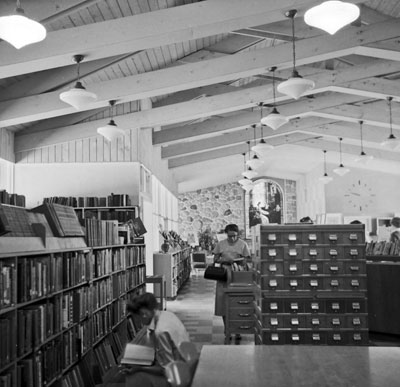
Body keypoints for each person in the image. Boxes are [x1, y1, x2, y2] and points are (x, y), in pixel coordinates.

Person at [122, 292, 190, 387]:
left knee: (134, 377)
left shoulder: (160, 332)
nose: (137, 321)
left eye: (136, 317)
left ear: (144, 314)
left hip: (178, 376)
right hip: (185, 363)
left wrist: (139, 368)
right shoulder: (166, 315)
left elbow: (165, 369)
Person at [212, 224, 251, 340]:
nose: (232, 239)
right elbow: (215, 259)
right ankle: (227, 328)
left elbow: (246, 259)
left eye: (234, 236)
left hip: (237, 273)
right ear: (226, 234)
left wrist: (239, 261)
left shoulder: (243, 244)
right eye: (229, 236)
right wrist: (223, 259)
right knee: (223, 300)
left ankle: (238, 329)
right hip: (223, 273)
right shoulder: (221, 244)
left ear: (238, 234)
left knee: (237, 300)